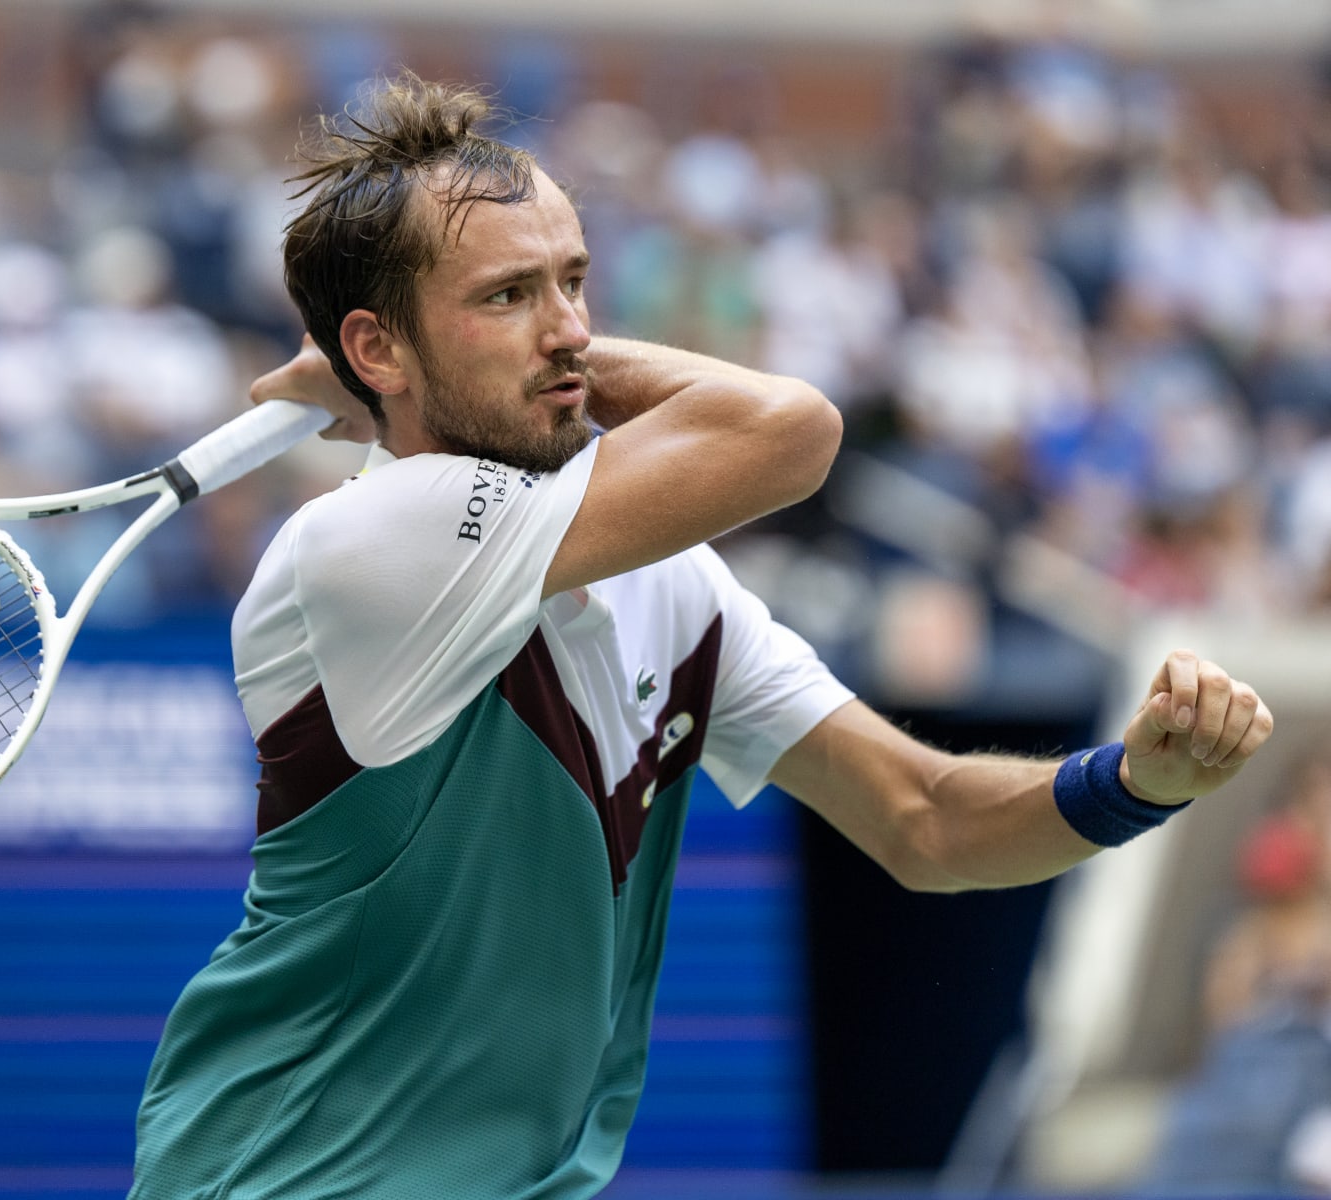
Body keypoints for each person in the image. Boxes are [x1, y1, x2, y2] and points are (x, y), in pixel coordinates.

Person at [129, 74, 1276, 1199]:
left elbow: (926, 822)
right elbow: (792, 428)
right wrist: (393, 393)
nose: (570, 331)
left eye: (575, 282)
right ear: (377, 347)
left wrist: (1132, 783)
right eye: (507, 297)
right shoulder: (370, 540)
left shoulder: (669, 585)